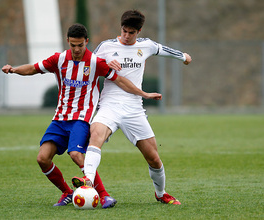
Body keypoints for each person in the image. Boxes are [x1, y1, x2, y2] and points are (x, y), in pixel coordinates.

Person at [2, 23, 161, 208]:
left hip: (82, 118)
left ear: (86, 41)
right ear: (67, 41)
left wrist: (144, 94)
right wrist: (14, 69)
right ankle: (67, 193)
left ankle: (104, 195)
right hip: (60, 118)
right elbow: (33, 68)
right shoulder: (59, 59)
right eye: (73, 45)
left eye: (80, 45)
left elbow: (120, 80)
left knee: (76, 153)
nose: (77, 49)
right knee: (42, 159)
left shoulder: (95, 62)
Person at [72, 10, 192, 205]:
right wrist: (104, 63)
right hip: (109, 105)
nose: (127, 36)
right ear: (121, 28)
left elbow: (165, 50)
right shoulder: (106, 46)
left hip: (134, 109)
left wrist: (183, 57)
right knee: (96, 135)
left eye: (131, 32)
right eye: (124, 31)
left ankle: (161, 193)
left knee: (153, 158)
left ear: (139, 31)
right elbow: (88, 65)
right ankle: (89, 182)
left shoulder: (146, 45)